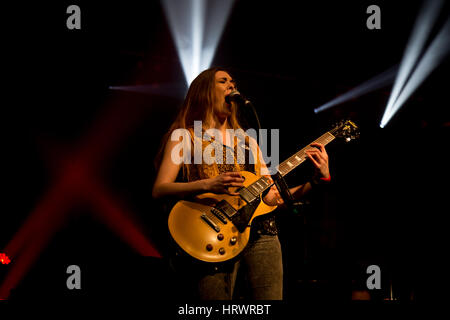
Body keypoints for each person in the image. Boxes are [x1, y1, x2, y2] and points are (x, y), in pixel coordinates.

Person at [152, 67, 330, 300]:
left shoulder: (249, 142)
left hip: (262, 234)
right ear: (204, 91)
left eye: (233, 82)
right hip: (214, 233)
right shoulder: (186, 137)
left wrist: (317, 181)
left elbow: (273, 199)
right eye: (223, 81)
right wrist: (208, 184)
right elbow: (160, 189)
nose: (231, 85)